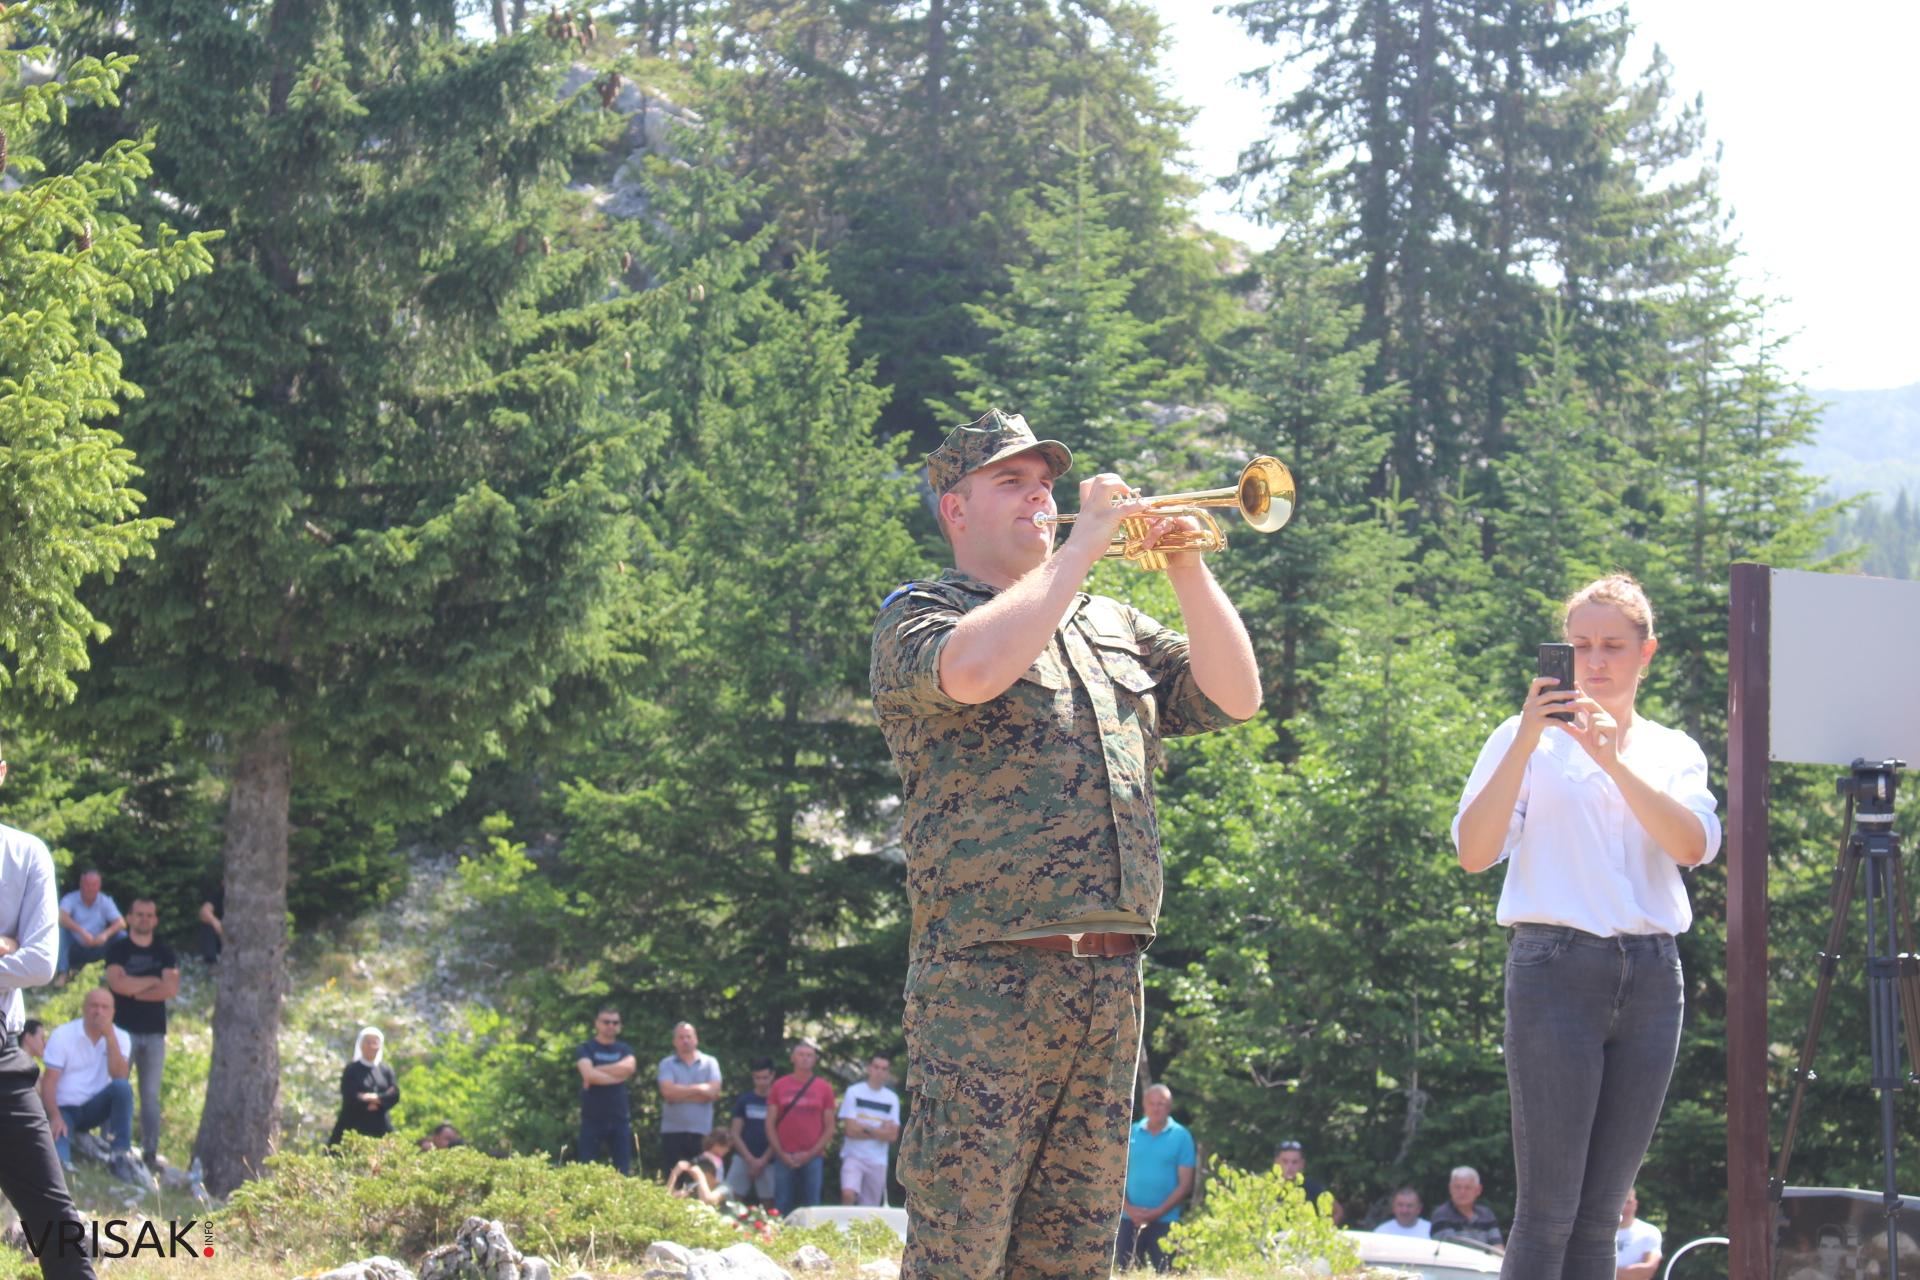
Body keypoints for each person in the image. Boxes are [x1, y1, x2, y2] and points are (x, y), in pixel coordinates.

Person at [869, 410, 1259, 1278]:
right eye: (1012, 481)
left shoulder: (1110, 620)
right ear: (954, 508)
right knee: (961, 1246)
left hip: (1110, 981)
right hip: (986, 980)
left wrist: (1186, 565)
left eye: (1045, 483)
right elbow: (972, 672)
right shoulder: (921, 614)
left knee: (1076, 1252)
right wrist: (1080, 545)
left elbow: (1235, 695)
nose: (1039, 496)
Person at [1455, 575, 1719, 1280]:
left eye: (1612, 646)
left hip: (1653, 977)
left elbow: (1691, 845)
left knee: (1602, 1213)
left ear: (1646, 653)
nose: (1595, 661)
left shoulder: (1673, 750)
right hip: (1554, 971)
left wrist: (1611, 758)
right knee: (1548, 1212)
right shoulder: (1522, 739)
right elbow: (1474, 853)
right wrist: (1525, 741)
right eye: (1579, 646)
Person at [0, 749, 100, 1280]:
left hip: (1, 1060)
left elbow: (39, 962)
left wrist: (15, 950)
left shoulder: (24, 853)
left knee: (56, 1221)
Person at [40, 988, 144, 1184]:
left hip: (95, 1107)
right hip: (64, 1108)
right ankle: (66, 1166)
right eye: (94, 1006)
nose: (99, 1012)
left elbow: (120, 1075)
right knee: (58, 1162)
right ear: (84, 1009)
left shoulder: (120, 1037)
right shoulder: (63, 1034)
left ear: (113, 1012)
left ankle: (119, 1154)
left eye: (105, 1007)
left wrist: (110, 1038)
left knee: (122, 1088)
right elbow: (49, 1081)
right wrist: (54, 1116)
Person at [104, 898, 179, 1169]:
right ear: (130, 917)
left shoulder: (165, 951)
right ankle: (109, 1142)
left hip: (155, 1033)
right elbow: (116, 984)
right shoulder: (118, 949)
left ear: (155, 919)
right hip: (122, 1030)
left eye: (149, 915)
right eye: (139, 915)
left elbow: (170, 989)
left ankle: (150, 1151)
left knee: (150, 1095)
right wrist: (151, 981)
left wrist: (133, 987)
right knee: (117, 1086)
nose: (145, 919)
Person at [1115, 1084, 1195, 1272]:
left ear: (1169, 1107)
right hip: (1128, 1219)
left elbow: (1185, 1184)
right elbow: (1114, 1177)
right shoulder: (1130, 1132)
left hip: (1166, 1221)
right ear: (1144, 1104)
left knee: (1169, 1273)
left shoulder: (1181, 1136)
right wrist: (1129, 1209)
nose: (1156, 1108)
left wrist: (1156, 1213)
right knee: (1126, 1272)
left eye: (1161, 1104)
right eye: (1152, 1103)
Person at [764, 1039, 836, 1216]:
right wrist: (780, 1153)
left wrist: (810, 1154)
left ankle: (813, 1239)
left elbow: (829, 1127)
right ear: (792, 1058)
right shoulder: (779, 1086)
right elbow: (769, 1123)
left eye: (810, 1055)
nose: (805, 1059)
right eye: (801, 1055)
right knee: (781, 1203)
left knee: (813, 1205)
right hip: (783, 1156)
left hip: (813, 1157)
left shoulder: (824, 1088)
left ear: (815, 1060)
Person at [575, 1008, 636, 1173]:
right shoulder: (586, 1048)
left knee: (622, 1171)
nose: (610, 1025)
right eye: (606, 1022)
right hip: (592, 1119)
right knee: (586, 1169)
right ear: (597, 1024)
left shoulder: (624, 1049)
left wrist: (597, 1070)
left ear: (619, 1026)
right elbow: (588, 1074)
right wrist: (617, 1077)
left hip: (619, 1119)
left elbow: (629, 1067)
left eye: (615, 1022)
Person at [838, 1054, 902, 1207]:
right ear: (869, 1069)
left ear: (888, 1073)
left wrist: (864, 1127)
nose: (879, 1072)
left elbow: (893, 1135)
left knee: (870, 1207)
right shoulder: (854, 1092)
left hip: (878, 1160)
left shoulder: (891, 1099)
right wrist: (880, 1130)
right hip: (853, 1155)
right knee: (848, 1193)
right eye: (876, 1067)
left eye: (884, 1069)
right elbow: (850, 1130)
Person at [657, 1021, 722, 1171]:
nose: (685, 1040)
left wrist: (679, 1093)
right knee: (674, 1181)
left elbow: (713, 1092)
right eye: (681, 1037)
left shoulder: (710, 1063)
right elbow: (667, 1093)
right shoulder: (666, 1064)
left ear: (696, 1039)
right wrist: (700, 1089)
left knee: (700, 1182)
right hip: (672, 1133)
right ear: (674, 1041)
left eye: (688, 1036)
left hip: (702, 1134)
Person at [327, 1026, 399, 1146]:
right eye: (368, 1042)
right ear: (361, 1045)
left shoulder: (386, 1070)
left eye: (375, 1042)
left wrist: (370, 1097)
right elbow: (350, 1096)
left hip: (380, 1125)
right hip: (354, 1124)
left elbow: (394, 1095)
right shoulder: (351, 1070)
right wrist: (381, 1099)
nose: (371, 1046)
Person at [55, 870, 124, 983]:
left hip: (98, 946)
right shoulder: (70, 899)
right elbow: (61, 917)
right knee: (61, 932)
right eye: (87, 884)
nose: (90, 888)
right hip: (76, 947)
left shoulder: (104, 901)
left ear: (99, 886)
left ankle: (118, 973)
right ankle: (62, 973)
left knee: (121, 936)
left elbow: (121, 923)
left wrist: (105, 935)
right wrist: (82, 932)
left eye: (94, 885)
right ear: (81, 884)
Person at [726, 1057, 777, 1204]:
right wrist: (750, 1160)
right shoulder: (745, 1100)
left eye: (765, 1078)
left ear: (772, 1075)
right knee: (731, 1198)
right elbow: (735, 1133)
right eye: (757, 1078)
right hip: (743, 1157)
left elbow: (779, 1134)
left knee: (770, 1204)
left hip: (769, 1159)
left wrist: (763, 1161)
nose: (761, 1082)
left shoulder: (777, 1102)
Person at [1429, 1166, 1505, 1250]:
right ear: (1450, 1188)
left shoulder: (1486, 1214)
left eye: (1467, 1188)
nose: (1462, 1192)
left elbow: (1498, 1248)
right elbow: (1448, 1250)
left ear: (1478, 1190)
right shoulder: (1442, 1215)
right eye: (1457, 1187)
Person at [1274, 1140, 1342, 1223]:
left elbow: (1338, 1211)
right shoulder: (1266, 1186)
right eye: (1285, 1161)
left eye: (1294, 1162)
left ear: (1302, 1164)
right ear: (1277, 1162)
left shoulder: (1312, 1187)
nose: (1289, 1166)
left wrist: (1320, 1232)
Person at [668, 1128, 735, 1207]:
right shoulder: (704, 1159)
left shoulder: (724, 1188)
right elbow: (667, 1199)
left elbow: (708, 1199)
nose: (727, 1150)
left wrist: (700, 1176)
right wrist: (674, 1175)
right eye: (725, 1146)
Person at [1614, 1187, 1661, 1280]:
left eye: (1628, 1202)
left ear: (1635, 1203)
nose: (1623, 1207)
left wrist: (1602, 1270)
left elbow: (1647, 1270)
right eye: (1619, 1202)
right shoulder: (1598, 1232)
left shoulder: (1649, 1231)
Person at [196, 884, 224, 965]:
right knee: (207, 925)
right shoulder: (218, 894)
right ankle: (211, 962)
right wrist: (215, 922)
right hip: (220, 933)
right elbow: (204, 911)